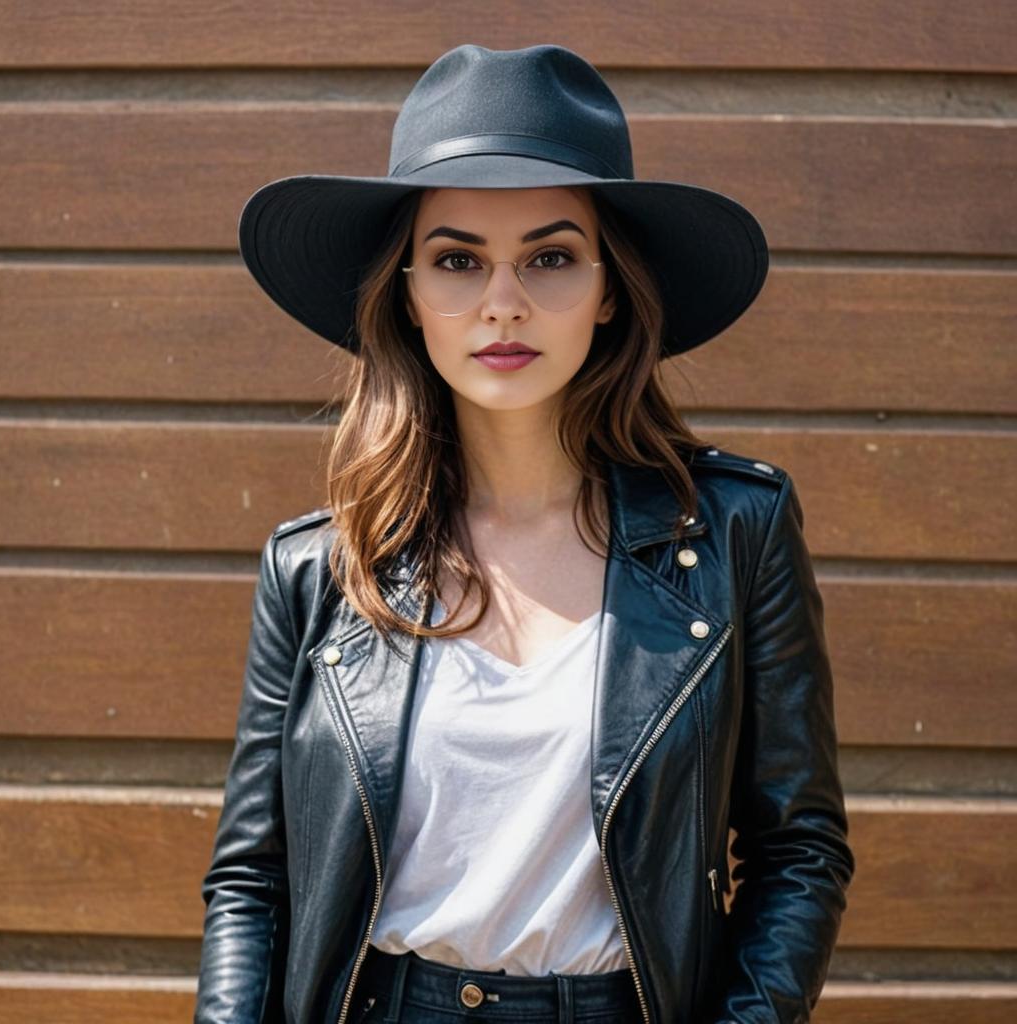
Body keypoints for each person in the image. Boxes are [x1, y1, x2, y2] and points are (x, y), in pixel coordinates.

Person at [194, 43, 855, 1024]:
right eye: (458, 260)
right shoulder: (320, 568)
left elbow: (797, 849)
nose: (502, 301)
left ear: (610, 289)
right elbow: (254, 876)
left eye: (549, 257)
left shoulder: (730, 533)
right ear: (409, 297)